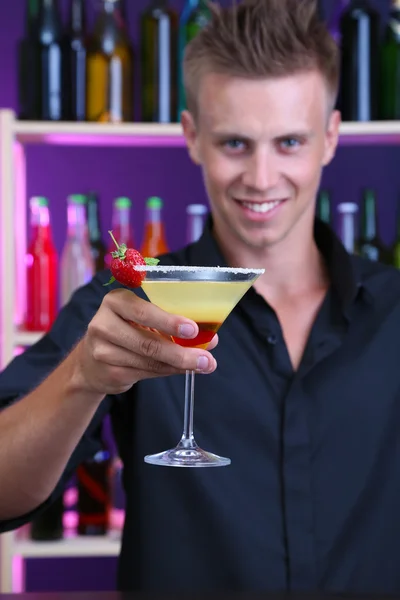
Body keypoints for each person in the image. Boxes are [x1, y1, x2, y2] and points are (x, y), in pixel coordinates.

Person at [1, 0, 400, 594]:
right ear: (192, 136)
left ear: (330, 137)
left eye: (289, 142)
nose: (262, 178)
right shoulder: (128, 304)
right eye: (235, 143)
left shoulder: (393, 311)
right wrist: (81, 377)